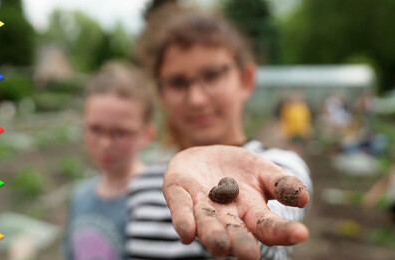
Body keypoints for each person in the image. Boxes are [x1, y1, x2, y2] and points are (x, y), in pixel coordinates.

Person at [126, 12, 312, 260]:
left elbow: (271, 229)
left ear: (245, 80)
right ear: (161, 94)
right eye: (178, 82)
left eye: (212, 75)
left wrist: (246, 228)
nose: (196, 99)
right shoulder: (140, 184)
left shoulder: (280, 166)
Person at [64, 62, 155, 260]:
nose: (105, 144)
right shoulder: (80, 197)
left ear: (146, 135)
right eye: (95, 130)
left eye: (120, 133)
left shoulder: (156, 201)